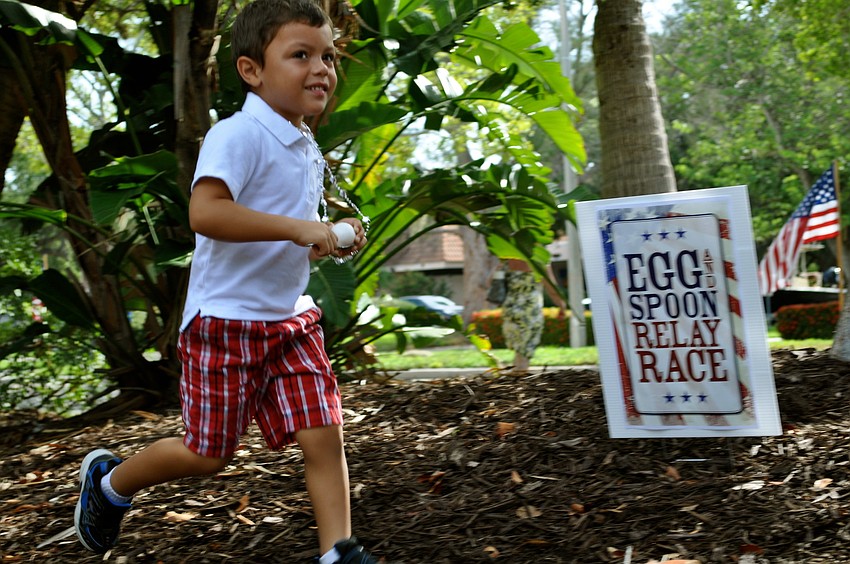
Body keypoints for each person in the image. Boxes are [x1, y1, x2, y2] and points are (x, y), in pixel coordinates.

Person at [73, 1, 376, 562]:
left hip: (289, 320)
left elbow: (287, 231)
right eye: (301, 54)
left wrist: (329, 233)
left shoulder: (303, 141)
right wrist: (300, 228)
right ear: (251, 70)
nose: (322, 69)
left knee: (323, 432)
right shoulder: (237, 135)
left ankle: (339, 553)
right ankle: (112, 486)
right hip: (226, 323)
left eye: (328, 55)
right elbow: (206, 214)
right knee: (208, 454)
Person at [501, 258, 566, 372]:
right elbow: (551, 288)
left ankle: (516, 373)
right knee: (525, 349)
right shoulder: (539, 260)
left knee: (519, 349)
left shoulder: (506, 260)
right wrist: (561, 305)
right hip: (530, 309)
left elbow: (491, 282)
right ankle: (519, 376)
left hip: (510, 307)